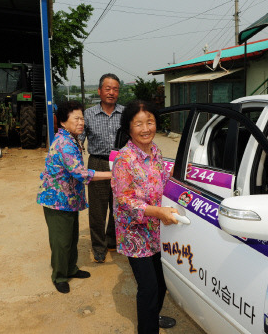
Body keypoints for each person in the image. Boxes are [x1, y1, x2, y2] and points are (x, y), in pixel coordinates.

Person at [111, 100, 179, 333]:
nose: (146, 128)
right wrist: (158, 211)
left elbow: (164, 181)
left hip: (156, 230)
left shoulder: (157, 151)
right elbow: (125, 199)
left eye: (150, 122)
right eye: (139, 123)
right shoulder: (125, 158)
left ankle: (153, 316)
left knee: (161, 283)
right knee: (148, 287)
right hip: (135, 233)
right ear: (129, 128)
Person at [37, 100, 111, 294]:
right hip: (57, 202)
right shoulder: (64, 143)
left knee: (71, 237)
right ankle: (59, 276)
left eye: (82, 119)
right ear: (63, 122)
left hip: (69, 200)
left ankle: (71, 268)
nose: (81, 123)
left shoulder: (71, 139)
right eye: (76, 119)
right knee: (61, 242)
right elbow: (81, 173)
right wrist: (113, 174)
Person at [79, 73, 124, 263]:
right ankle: (99, 247)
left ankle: (112, 240)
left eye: (115, 89)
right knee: (98, 209)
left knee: (119, 205)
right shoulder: (88, 114)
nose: (111, 92)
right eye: (108, 88)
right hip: (97, 163)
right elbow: (80, 138)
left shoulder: (125, 113)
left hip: (121, 164)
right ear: (99, 91)